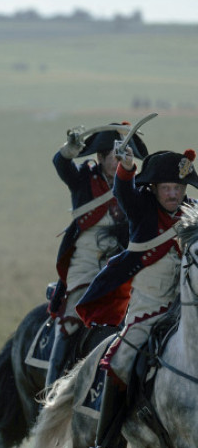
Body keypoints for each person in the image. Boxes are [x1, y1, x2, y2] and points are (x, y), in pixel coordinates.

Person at [77, 147, 198, 448]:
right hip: (149, 312)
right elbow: (123, 191)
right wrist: (127, 167)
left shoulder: (194, 214)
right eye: (166, 188)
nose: (173, 194)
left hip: (186, 313)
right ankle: (103, 446)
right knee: (119, 361)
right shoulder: (141, 208)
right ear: (154, 189)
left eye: (178, 188)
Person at [46, 123, 147, 389]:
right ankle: (51, 390)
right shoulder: (83, 179)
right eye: (115, 154)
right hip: (87, 262)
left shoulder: (136, 184)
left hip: (124, 264)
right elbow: (62, 166)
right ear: (100, 158)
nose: (122, 159)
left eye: (127, 153)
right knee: (70, 322)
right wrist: (68, 151)